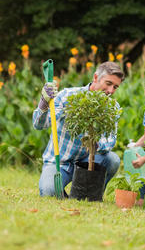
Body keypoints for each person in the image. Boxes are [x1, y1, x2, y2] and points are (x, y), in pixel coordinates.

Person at [33, 62, 124, 197]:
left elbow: (111, 140)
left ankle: (91, 193)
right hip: (60, 162)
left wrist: (96, 145)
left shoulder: (112, 107)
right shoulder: (68, 96)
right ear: (95, 77)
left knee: (112, 160)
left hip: (88, 161)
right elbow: (40, 125)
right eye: (108, 83)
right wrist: (44, 102)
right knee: (48, 192)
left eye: (115, 87)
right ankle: (63, 193)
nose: (111, 91)